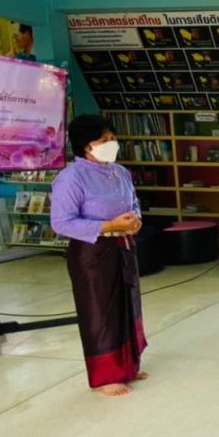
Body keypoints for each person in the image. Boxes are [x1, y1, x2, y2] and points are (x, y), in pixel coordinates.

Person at [50, 115, 145, 397]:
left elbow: (134, 203)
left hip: (123, 245)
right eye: (104, 140)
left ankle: (128, 366)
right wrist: (109, 225)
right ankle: (106, 376)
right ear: (86, 146)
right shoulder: (71, 178)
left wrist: (135, 220)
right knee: (100, 311)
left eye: (112, 139)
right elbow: (61, 222)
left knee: (126, 305)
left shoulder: (120, 172)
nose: (111, 144)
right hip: (92, 251)